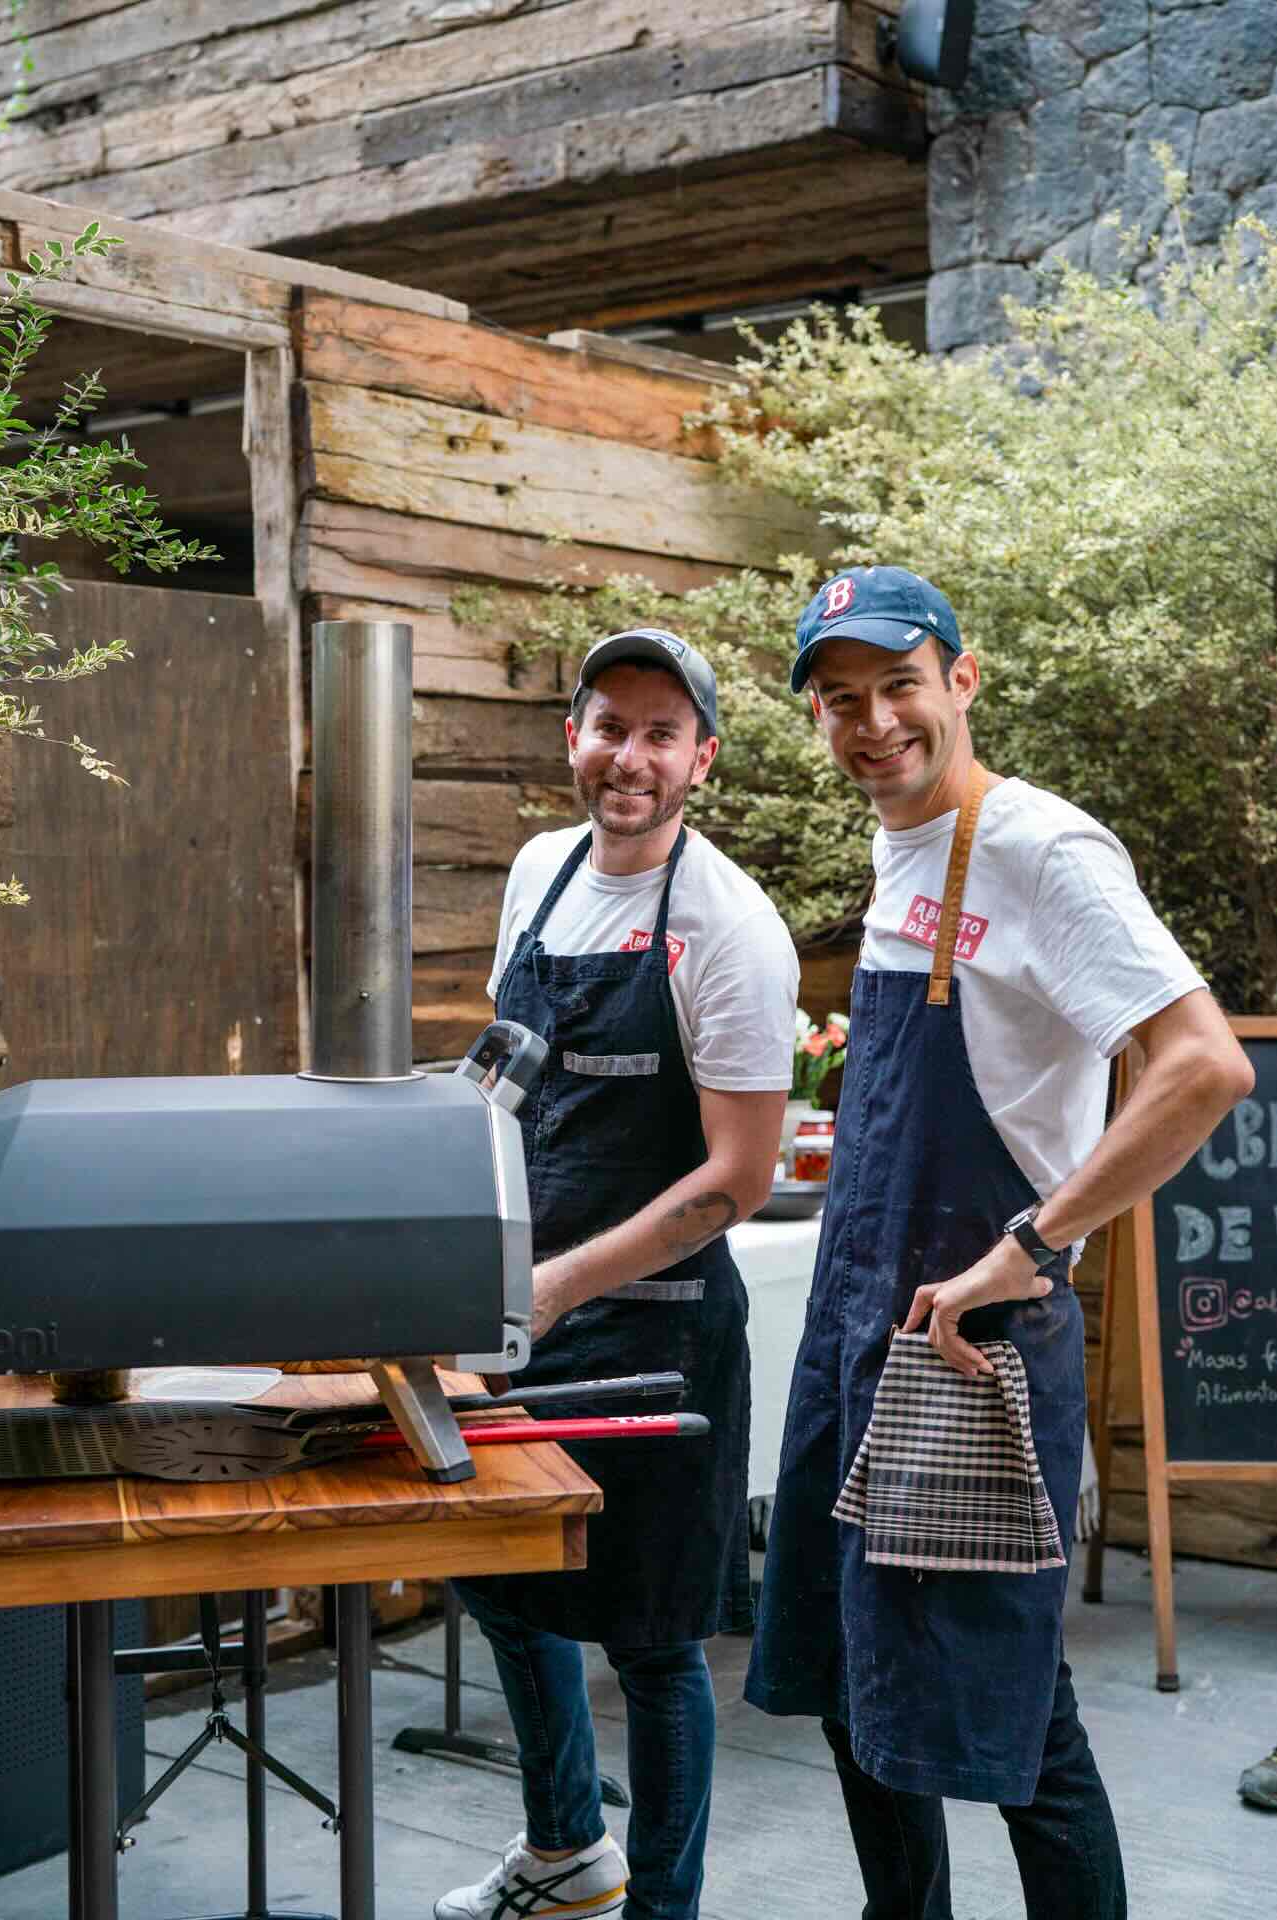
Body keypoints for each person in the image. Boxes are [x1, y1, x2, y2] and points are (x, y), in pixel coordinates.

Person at [746, 566, 1255, 1920]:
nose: (872, 722)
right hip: (863, 1327)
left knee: (1016, 1718)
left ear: (959, 681)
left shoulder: (1038, 848)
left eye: (898, 684)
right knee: (858, 1681)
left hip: (972, 1352)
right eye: (839, 699)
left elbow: (1200, 1066)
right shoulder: (901, 847)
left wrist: (1035, 1243)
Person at [436, 629, 799, 1920]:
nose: (627, 756)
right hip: (515, 1315)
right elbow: (510, 1090)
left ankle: (667, 1906)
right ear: (571, 738)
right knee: (503, 1588)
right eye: (607, 725)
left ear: (701, 757)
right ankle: (565, 1850)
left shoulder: (728, 926)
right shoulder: (538, 874)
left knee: (651, 1642)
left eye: (659, 733)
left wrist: (556, 1285)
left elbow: (735, 1181)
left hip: (654, 1329)